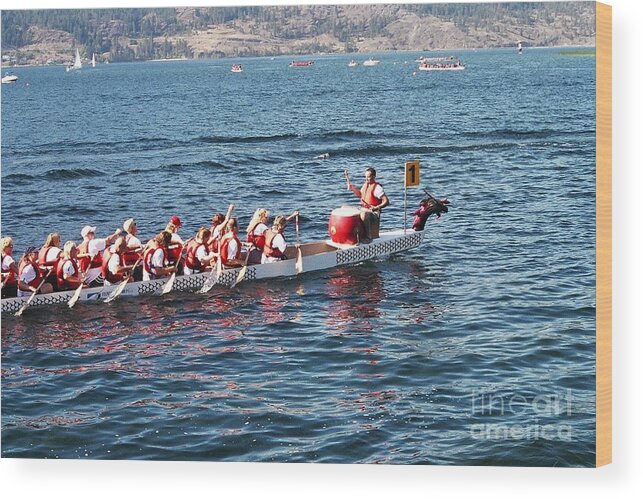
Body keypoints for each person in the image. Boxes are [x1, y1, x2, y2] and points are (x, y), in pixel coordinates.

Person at [344, 167, 390, 242]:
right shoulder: (365, 185)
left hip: (373, 213)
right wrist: (352, 188)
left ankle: (368, 237)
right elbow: (360, 195)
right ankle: (351, 236)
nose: (366, 179)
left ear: (374, 176)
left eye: (368, 177)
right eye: (365, 177)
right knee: (345, 208)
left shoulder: (377, 188)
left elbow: (386, 201)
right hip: (363, 209)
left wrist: (376, 208)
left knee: (364, 214)